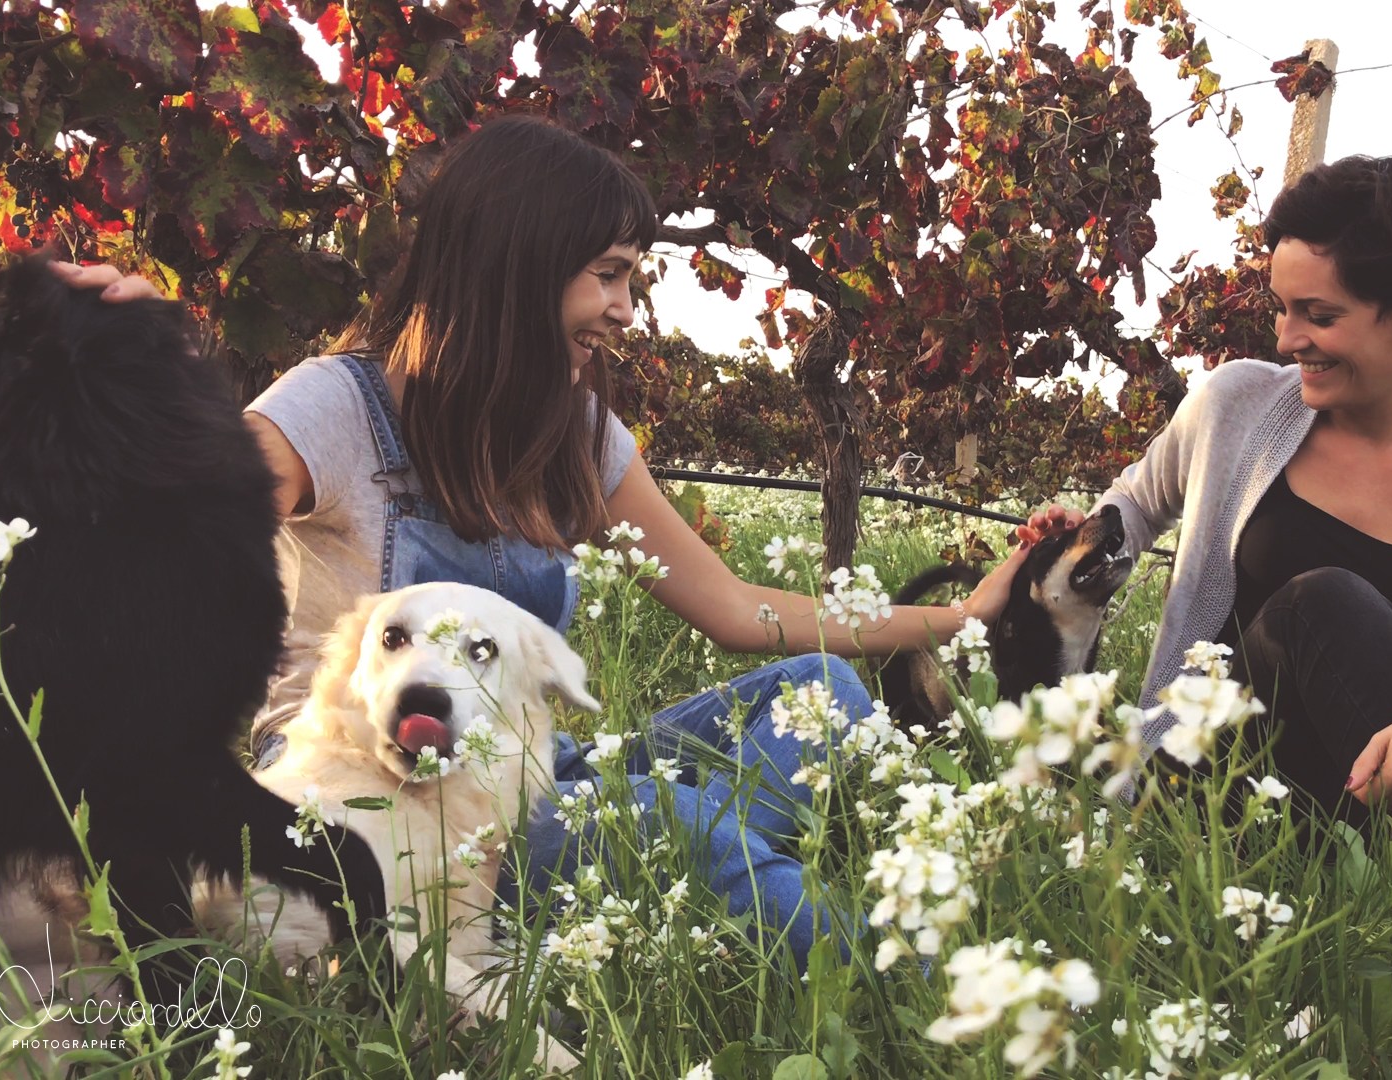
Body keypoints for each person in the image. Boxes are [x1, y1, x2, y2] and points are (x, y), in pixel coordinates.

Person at [56, 114, 1027, 965]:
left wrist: (964, 617)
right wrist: (134, 367)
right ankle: (901, 983)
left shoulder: (582, 442)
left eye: (632, 279)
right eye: (608, 275)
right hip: (359, 794)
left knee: (826, 696)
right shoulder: (337, 408)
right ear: (515, 263)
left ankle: (639, 899)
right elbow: (166, 526)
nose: (625, 310)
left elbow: (740, 611)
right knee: (684, 824)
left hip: (523, 775)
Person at [1020, 155, 1392, 824]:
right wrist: (1085, 537)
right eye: (1281, 308)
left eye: (1320, 315)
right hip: (1212, 793)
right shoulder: (1234, 404)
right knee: (1320, 606)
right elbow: (1135, 503)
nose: (1287, 337)